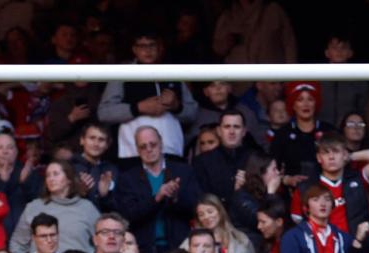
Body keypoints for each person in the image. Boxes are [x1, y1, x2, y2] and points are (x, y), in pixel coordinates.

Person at [97, 30, 198, 159]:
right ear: (134, 49)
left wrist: (176, 106)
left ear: (160, 48)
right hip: (133, 153)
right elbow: (104, 112)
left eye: (152, 45)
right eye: (142, 46)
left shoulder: (173, 73)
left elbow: (193, 113)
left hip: (170, 150)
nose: (147, 50)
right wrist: (138, 108)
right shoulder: (123, 73)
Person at [116, 126, 199, 253]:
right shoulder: (127, 178)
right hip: (143, 250)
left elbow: (196, 206)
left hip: (180, 246)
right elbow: (129, 215)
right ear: (137, 149)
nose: (149, 149)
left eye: (153, 144)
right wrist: (157, 197)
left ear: (161, 143)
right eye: (143, 146)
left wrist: (175, 198)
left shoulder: (184, 171)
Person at [9, 160, 100, 253]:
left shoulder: (87, 208)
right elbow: (17, 244)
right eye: (48, 175)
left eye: (56, 174)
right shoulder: (34, 207)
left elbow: (102, 243)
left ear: (69, 179)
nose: (51, 178)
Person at [186, 195, 259, 253]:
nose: (206, 217)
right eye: (201, 214)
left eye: (210, 211)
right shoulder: (191, 241)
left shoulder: (240, 238)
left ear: (220, 211)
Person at [192, 110, 255, 207]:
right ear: (219, 131)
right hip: (216, 218)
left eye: (236, 127)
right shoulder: (202, 162)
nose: (232, 132)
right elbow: (201, 199)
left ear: (244, 132)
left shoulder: (255, 159)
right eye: (227, 126)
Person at [71, 122, 118, 211]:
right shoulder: (69, 167)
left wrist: (105, 196)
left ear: (108, 144)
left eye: (101, 139)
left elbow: (117, 207)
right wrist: (79, 193)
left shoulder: (111, 170)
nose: (96, 144)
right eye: (92, 138)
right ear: (82, 140)